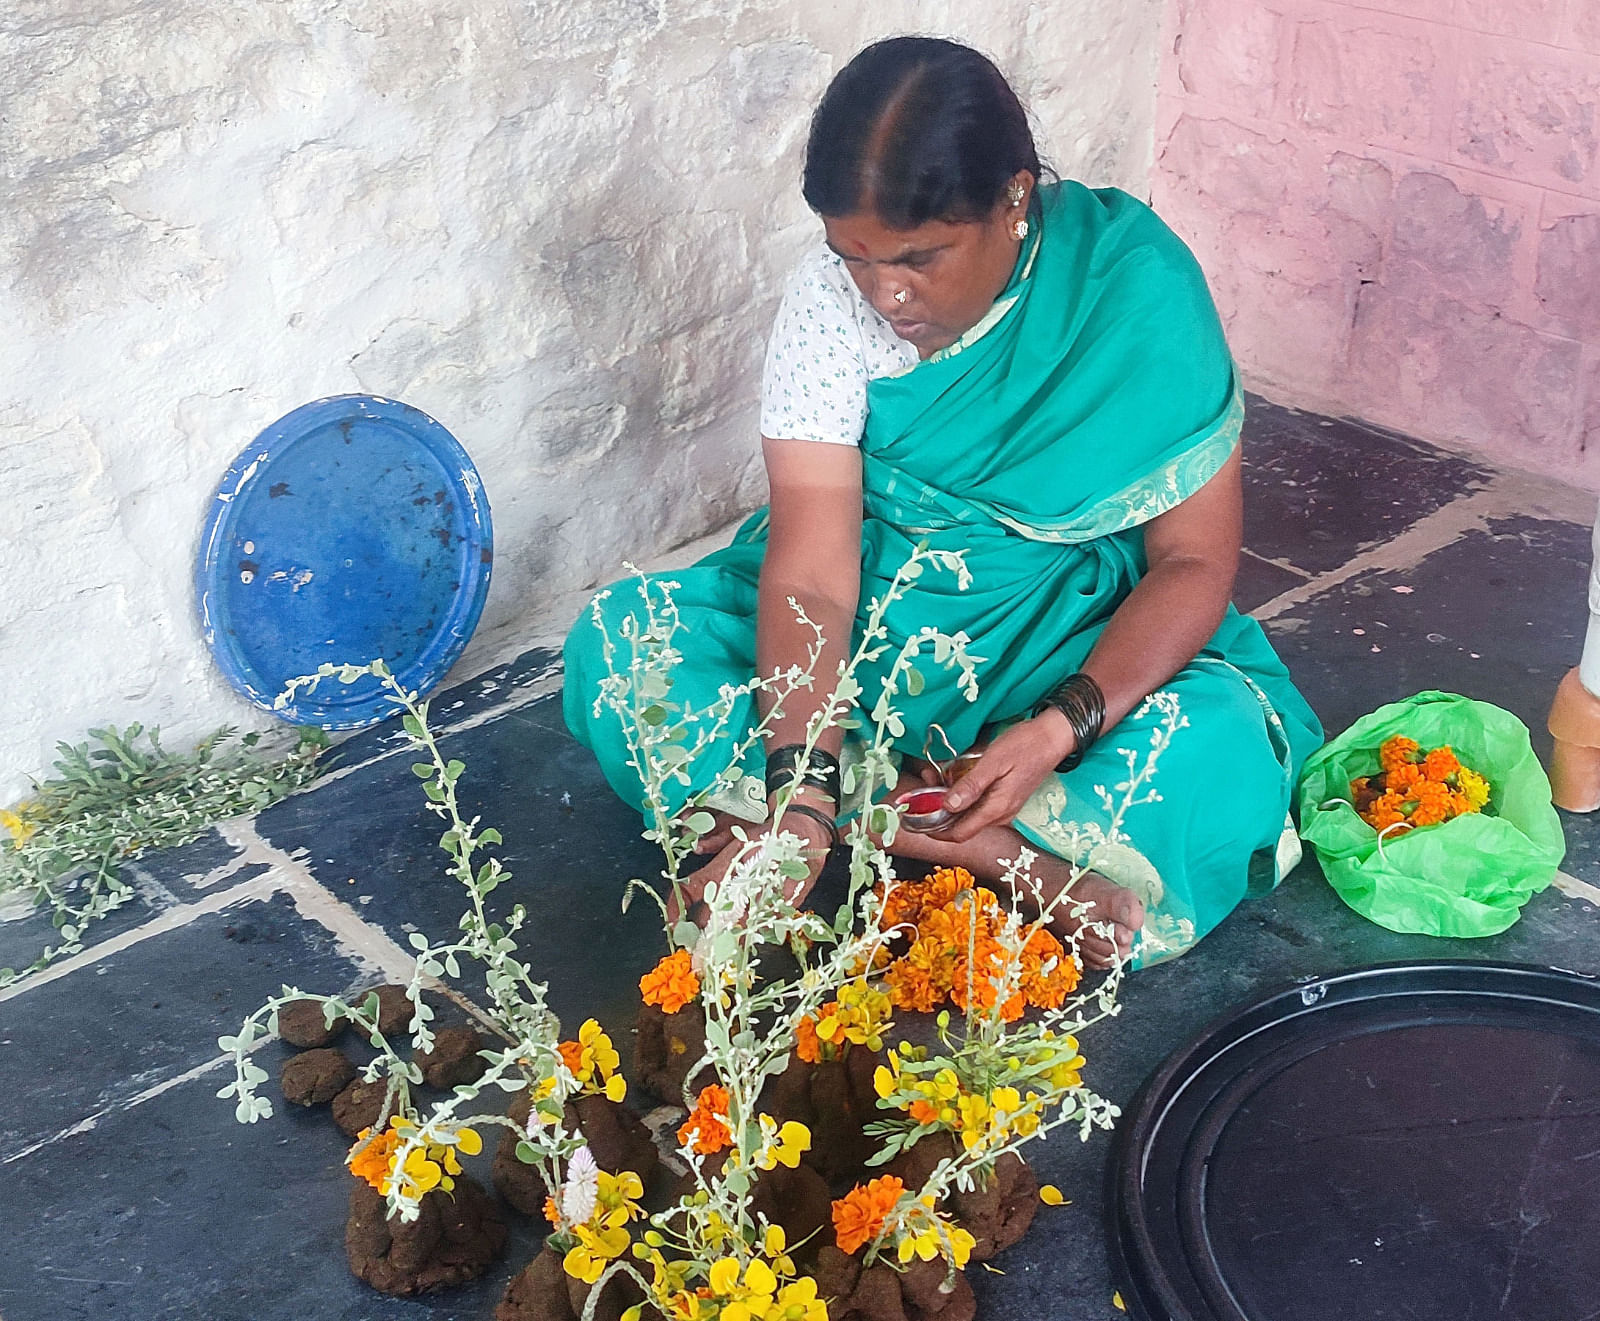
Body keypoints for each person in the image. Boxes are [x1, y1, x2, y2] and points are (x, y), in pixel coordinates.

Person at [563, 36, 1323, 969]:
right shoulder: (827, 308)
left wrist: (1061, 724)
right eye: (855, 258)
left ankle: (947, 830)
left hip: (1061, 631)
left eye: (920, 257)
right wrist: (802, 784)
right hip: (872, 613)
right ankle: (902, 816)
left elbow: (1196, 562)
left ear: (1011, 199)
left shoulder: (1132, 287)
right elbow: (812, 570)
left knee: (1223, 749)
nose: (886, 292)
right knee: (621, 643)